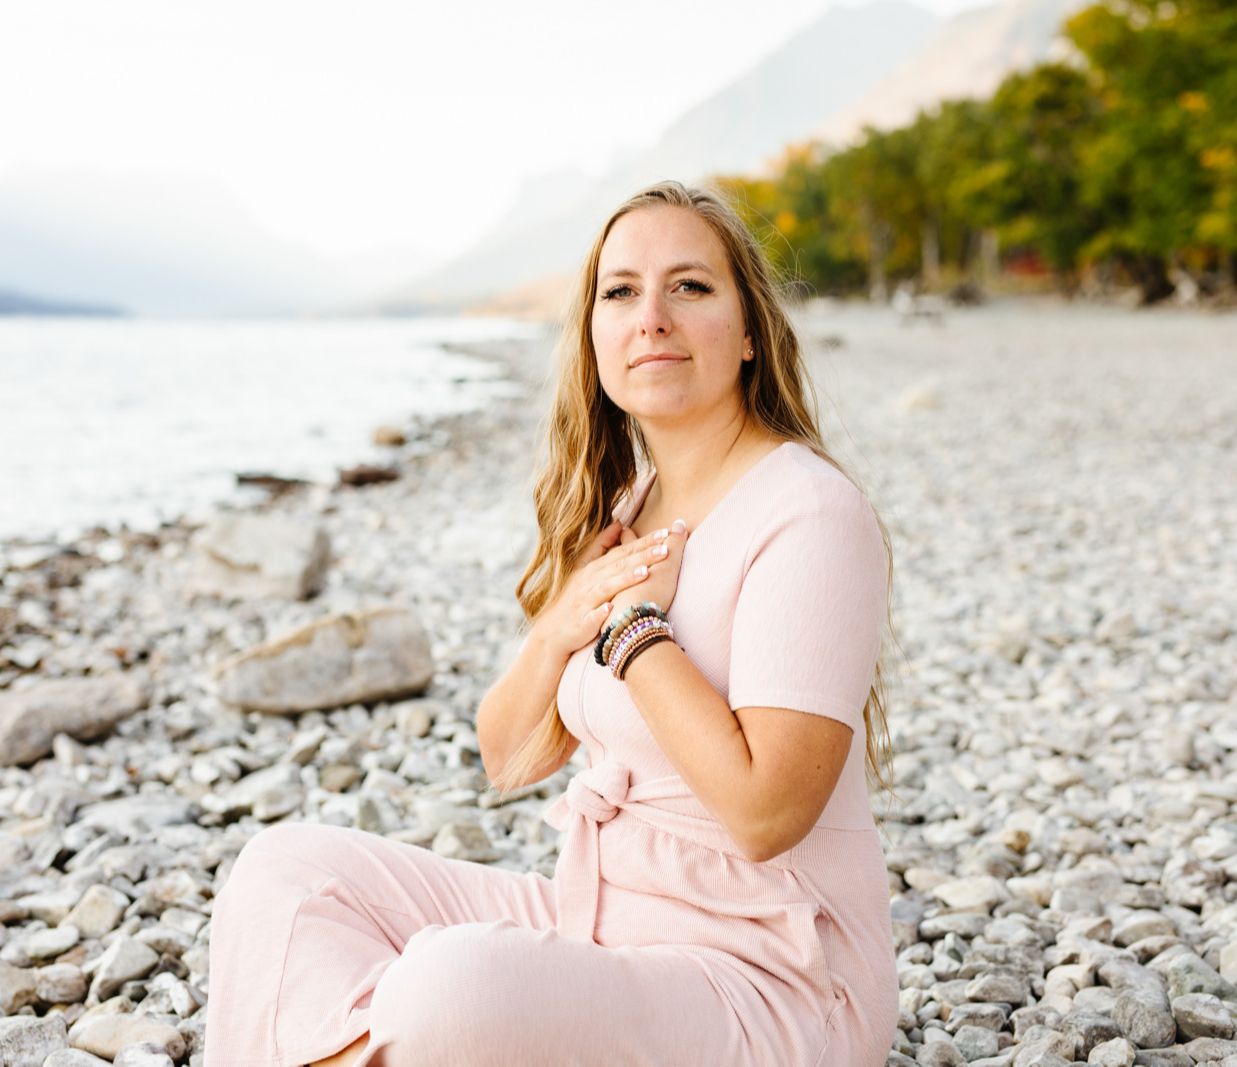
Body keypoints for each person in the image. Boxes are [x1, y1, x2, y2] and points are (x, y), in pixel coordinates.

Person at [202, 179, 901, 1066]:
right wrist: (563, 622)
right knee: (283, 872)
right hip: (602, 922)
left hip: (771, 986)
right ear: (596, 340)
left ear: (751, 331)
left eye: (689, 286)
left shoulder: (808, 512)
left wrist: (634, 633)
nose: (650, 315)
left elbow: (766, 814)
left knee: (446, 987)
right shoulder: (630, 508)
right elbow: (510, 757)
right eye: (620, 291)